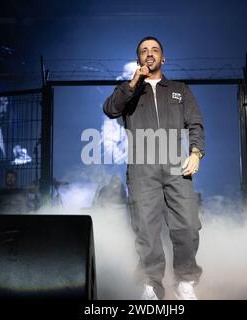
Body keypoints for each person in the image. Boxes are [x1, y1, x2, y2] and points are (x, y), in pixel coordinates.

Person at [103, 36, 205, 300]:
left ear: (163, 58)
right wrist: (133, 83)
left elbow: (195, 123)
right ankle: (150, 283)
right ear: (139, 59)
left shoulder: (180, 89)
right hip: (141, 167)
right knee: (146, 229)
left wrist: (196, 152)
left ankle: (185, 280)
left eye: (155, 50)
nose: (150, 54)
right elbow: (110, 109)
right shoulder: (128, 90)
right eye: (144, 51)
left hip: (176, 165)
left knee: (188, 225)